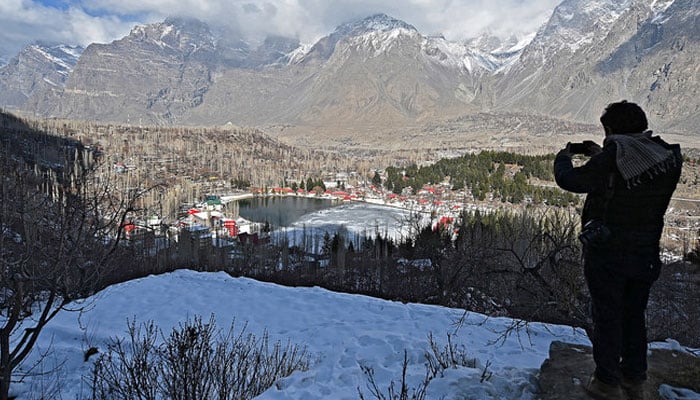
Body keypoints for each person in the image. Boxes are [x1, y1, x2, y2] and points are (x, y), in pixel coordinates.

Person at [553, 101, 682, 400]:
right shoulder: (665, 155)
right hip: (646, 253)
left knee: (607, 315)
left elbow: (571, 180)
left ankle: (606, 382)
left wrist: (564, 157)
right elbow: (631, 181)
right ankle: (634, 379)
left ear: (611, 130)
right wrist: (604, 155)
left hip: (609, 254)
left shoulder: (614, 157)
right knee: (634, 315)